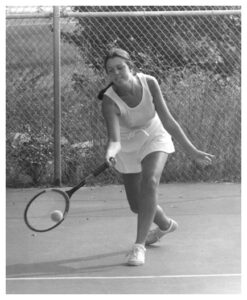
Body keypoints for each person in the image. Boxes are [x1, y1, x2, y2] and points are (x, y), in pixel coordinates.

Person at [98, 48, 214, 266]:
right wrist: (110, 154)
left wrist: (192, 151)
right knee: (136, 205)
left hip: (154, 135)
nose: (116, 73)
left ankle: (138, 247)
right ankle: (166, 224)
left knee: (150, 182)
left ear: (130, 67)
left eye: (120, 67)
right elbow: (114, 140)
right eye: (110, 70)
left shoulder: (149, 82)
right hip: (127, 145)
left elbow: (169, 121)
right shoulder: (109, 101)